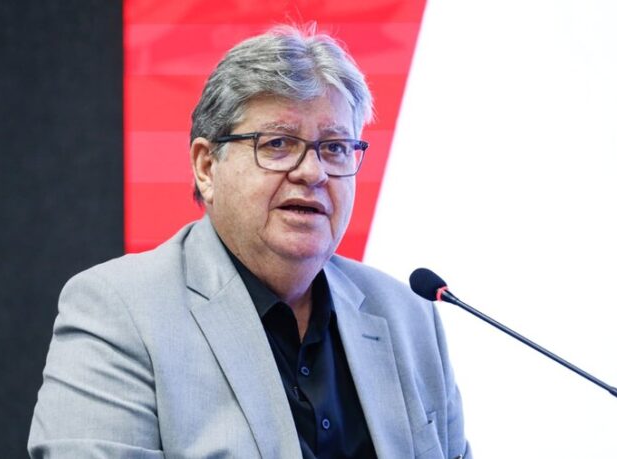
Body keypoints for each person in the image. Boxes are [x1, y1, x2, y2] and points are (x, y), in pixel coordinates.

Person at [28, 24, 471, 459]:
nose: (312, 172)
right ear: (206, 167)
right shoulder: (120, 311)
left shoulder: (408, 317)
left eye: (335, 148)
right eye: (278, 143)